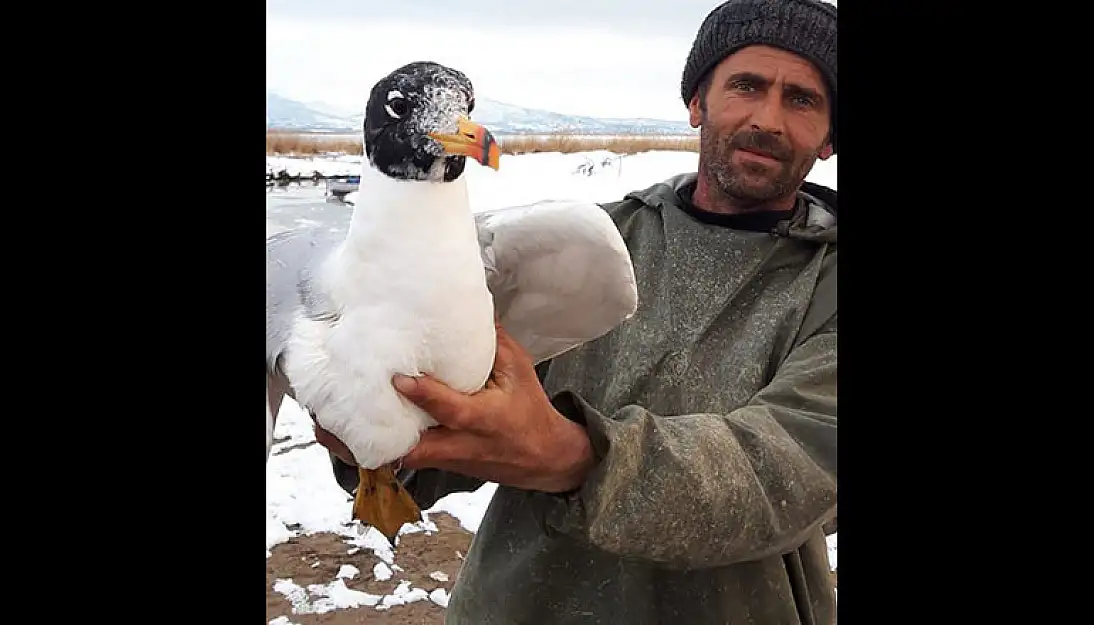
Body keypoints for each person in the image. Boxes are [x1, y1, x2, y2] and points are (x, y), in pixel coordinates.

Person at [316, 0, 838, 622]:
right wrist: (378, 437)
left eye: (802, 99)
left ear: (831, 137)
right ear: (698, 103)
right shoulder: (588, 247)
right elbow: (456, 428)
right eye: (745, 86)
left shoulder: (824, 285)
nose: (768, 119)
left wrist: (573, 456)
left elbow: (787, 475)